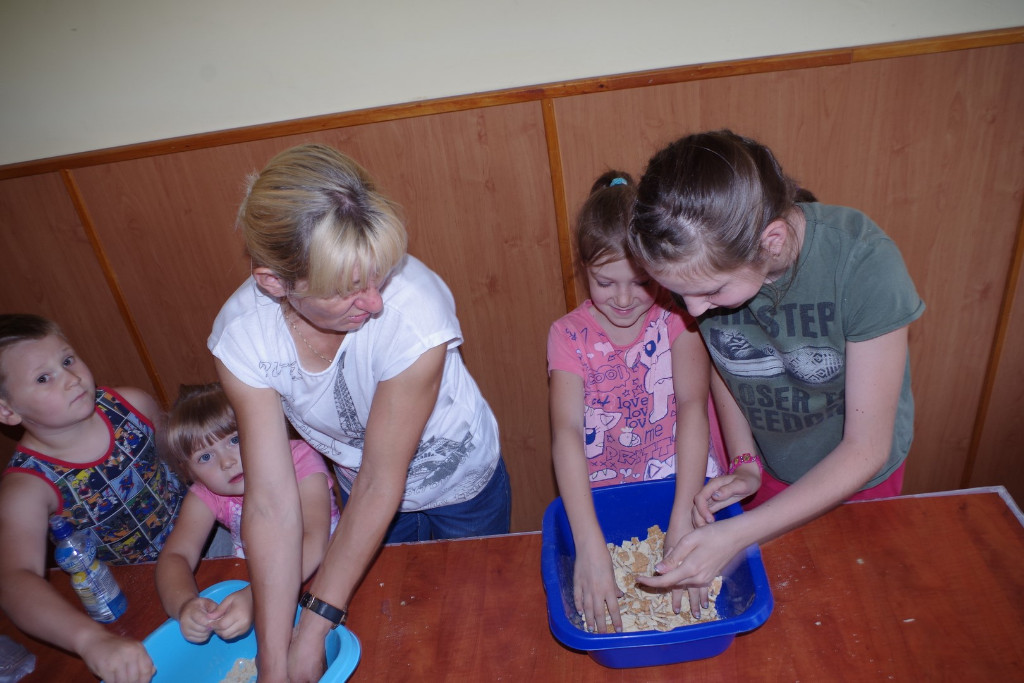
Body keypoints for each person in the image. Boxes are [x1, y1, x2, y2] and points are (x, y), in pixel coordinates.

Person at [209, 143, 510, 682]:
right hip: (359, 490)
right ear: (274, 283)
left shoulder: (414, 313)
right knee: (391, 624)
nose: (374, 302)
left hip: (463, 484)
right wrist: (273, 660)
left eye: (379, 274)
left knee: (468, 626)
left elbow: (379, 480)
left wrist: (313, 626)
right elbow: (271, 504)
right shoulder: (243, 340)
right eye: (347, 289)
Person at [626, 129, 925, 593]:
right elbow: (727, 367)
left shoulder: (864, 263)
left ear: (772, 240)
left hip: (858, 480)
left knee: (855, 594)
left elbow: (866, 448)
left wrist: (739, 533)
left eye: (711, 292)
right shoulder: (701, 275)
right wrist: (745, 462)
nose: (693, 311)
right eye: (681, 294)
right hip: (769, 469)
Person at [547, 170, 745, 634]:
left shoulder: (678, 317)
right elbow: (567, 432)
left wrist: (684, 516)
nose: (622, 299)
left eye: (639, 282)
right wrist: (589, 543)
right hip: (606, 494)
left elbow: (692, 407)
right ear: (584, 269)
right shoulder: (567, 336)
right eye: (604, 281)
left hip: (684, 480)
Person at [0, 313, 184, 683]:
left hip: (208, 540)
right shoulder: (26, 488)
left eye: (68, 360)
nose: (71, 378)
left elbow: (186, 464)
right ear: (7, 410)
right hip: (138, 591)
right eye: (43, 378)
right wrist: (90, 641)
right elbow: (14, 580)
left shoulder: (133, 404)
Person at [154, 383, 340, 644]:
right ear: (189, 472)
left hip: (328, 577)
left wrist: (259, 596)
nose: (226, 462)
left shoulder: (298, 459)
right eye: (205, 457)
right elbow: (175, 556)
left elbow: (314, 541)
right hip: (256, 583)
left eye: (235, 440)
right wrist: (185, 605)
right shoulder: (206, 493)